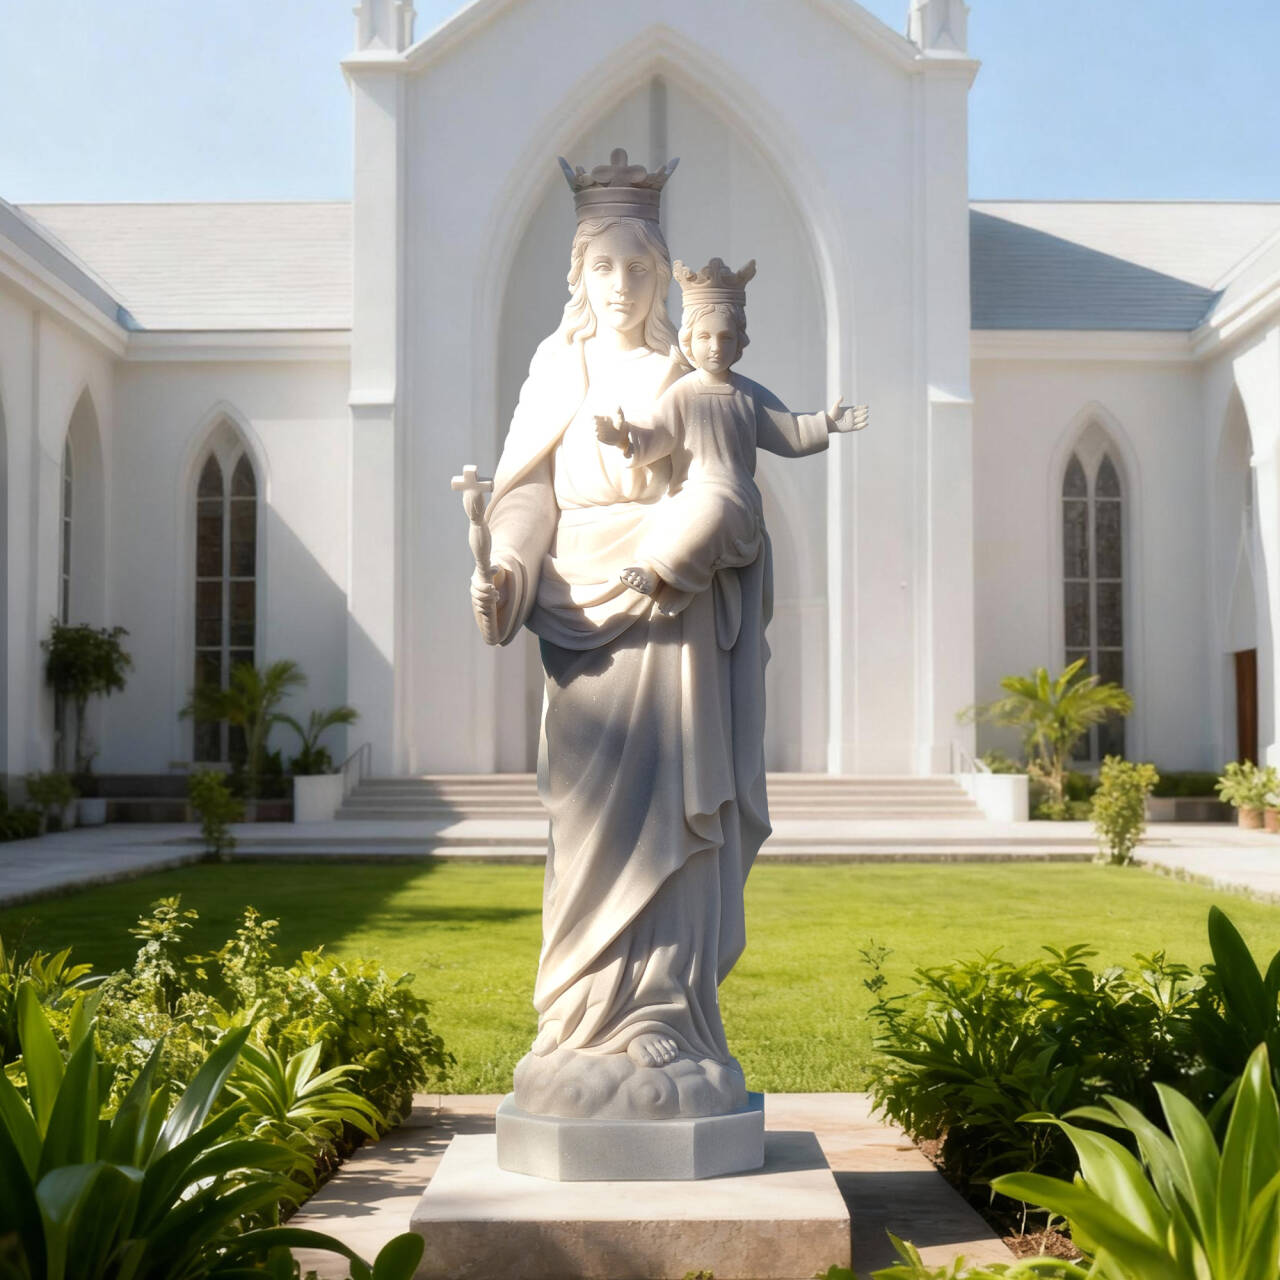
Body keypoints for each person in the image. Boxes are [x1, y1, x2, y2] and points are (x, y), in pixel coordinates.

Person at [467, 150, 852, 1121]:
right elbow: (524, 493)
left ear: (660, 275)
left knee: (673, 818)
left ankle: (662, 1017)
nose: (622, 284)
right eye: (604, 265)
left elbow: (725, 483)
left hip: (672, 618)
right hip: (577, 609)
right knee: (586, 824)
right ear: (579, 273)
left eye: (639, 266)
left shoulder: (688, 372)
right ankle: (576, 1020)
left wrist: (697, 541)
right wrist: (506, 570)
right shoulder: (555, 368)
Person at [595, 257, 867, 609]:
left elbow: (790, 432)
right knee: (687, 514)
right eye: (705, 337)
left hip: (735, 497)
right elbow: (657, 433)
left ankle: (655, 570)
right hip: (690, 492)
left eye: (725, 338)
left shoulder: (748, 394)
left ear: (739, 343)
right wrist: (623, 437)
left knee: (716, 508)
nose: (715, 347)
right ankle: (664, 573)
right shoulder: (683, 393)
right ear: (689, 341)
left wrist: (827, 423)